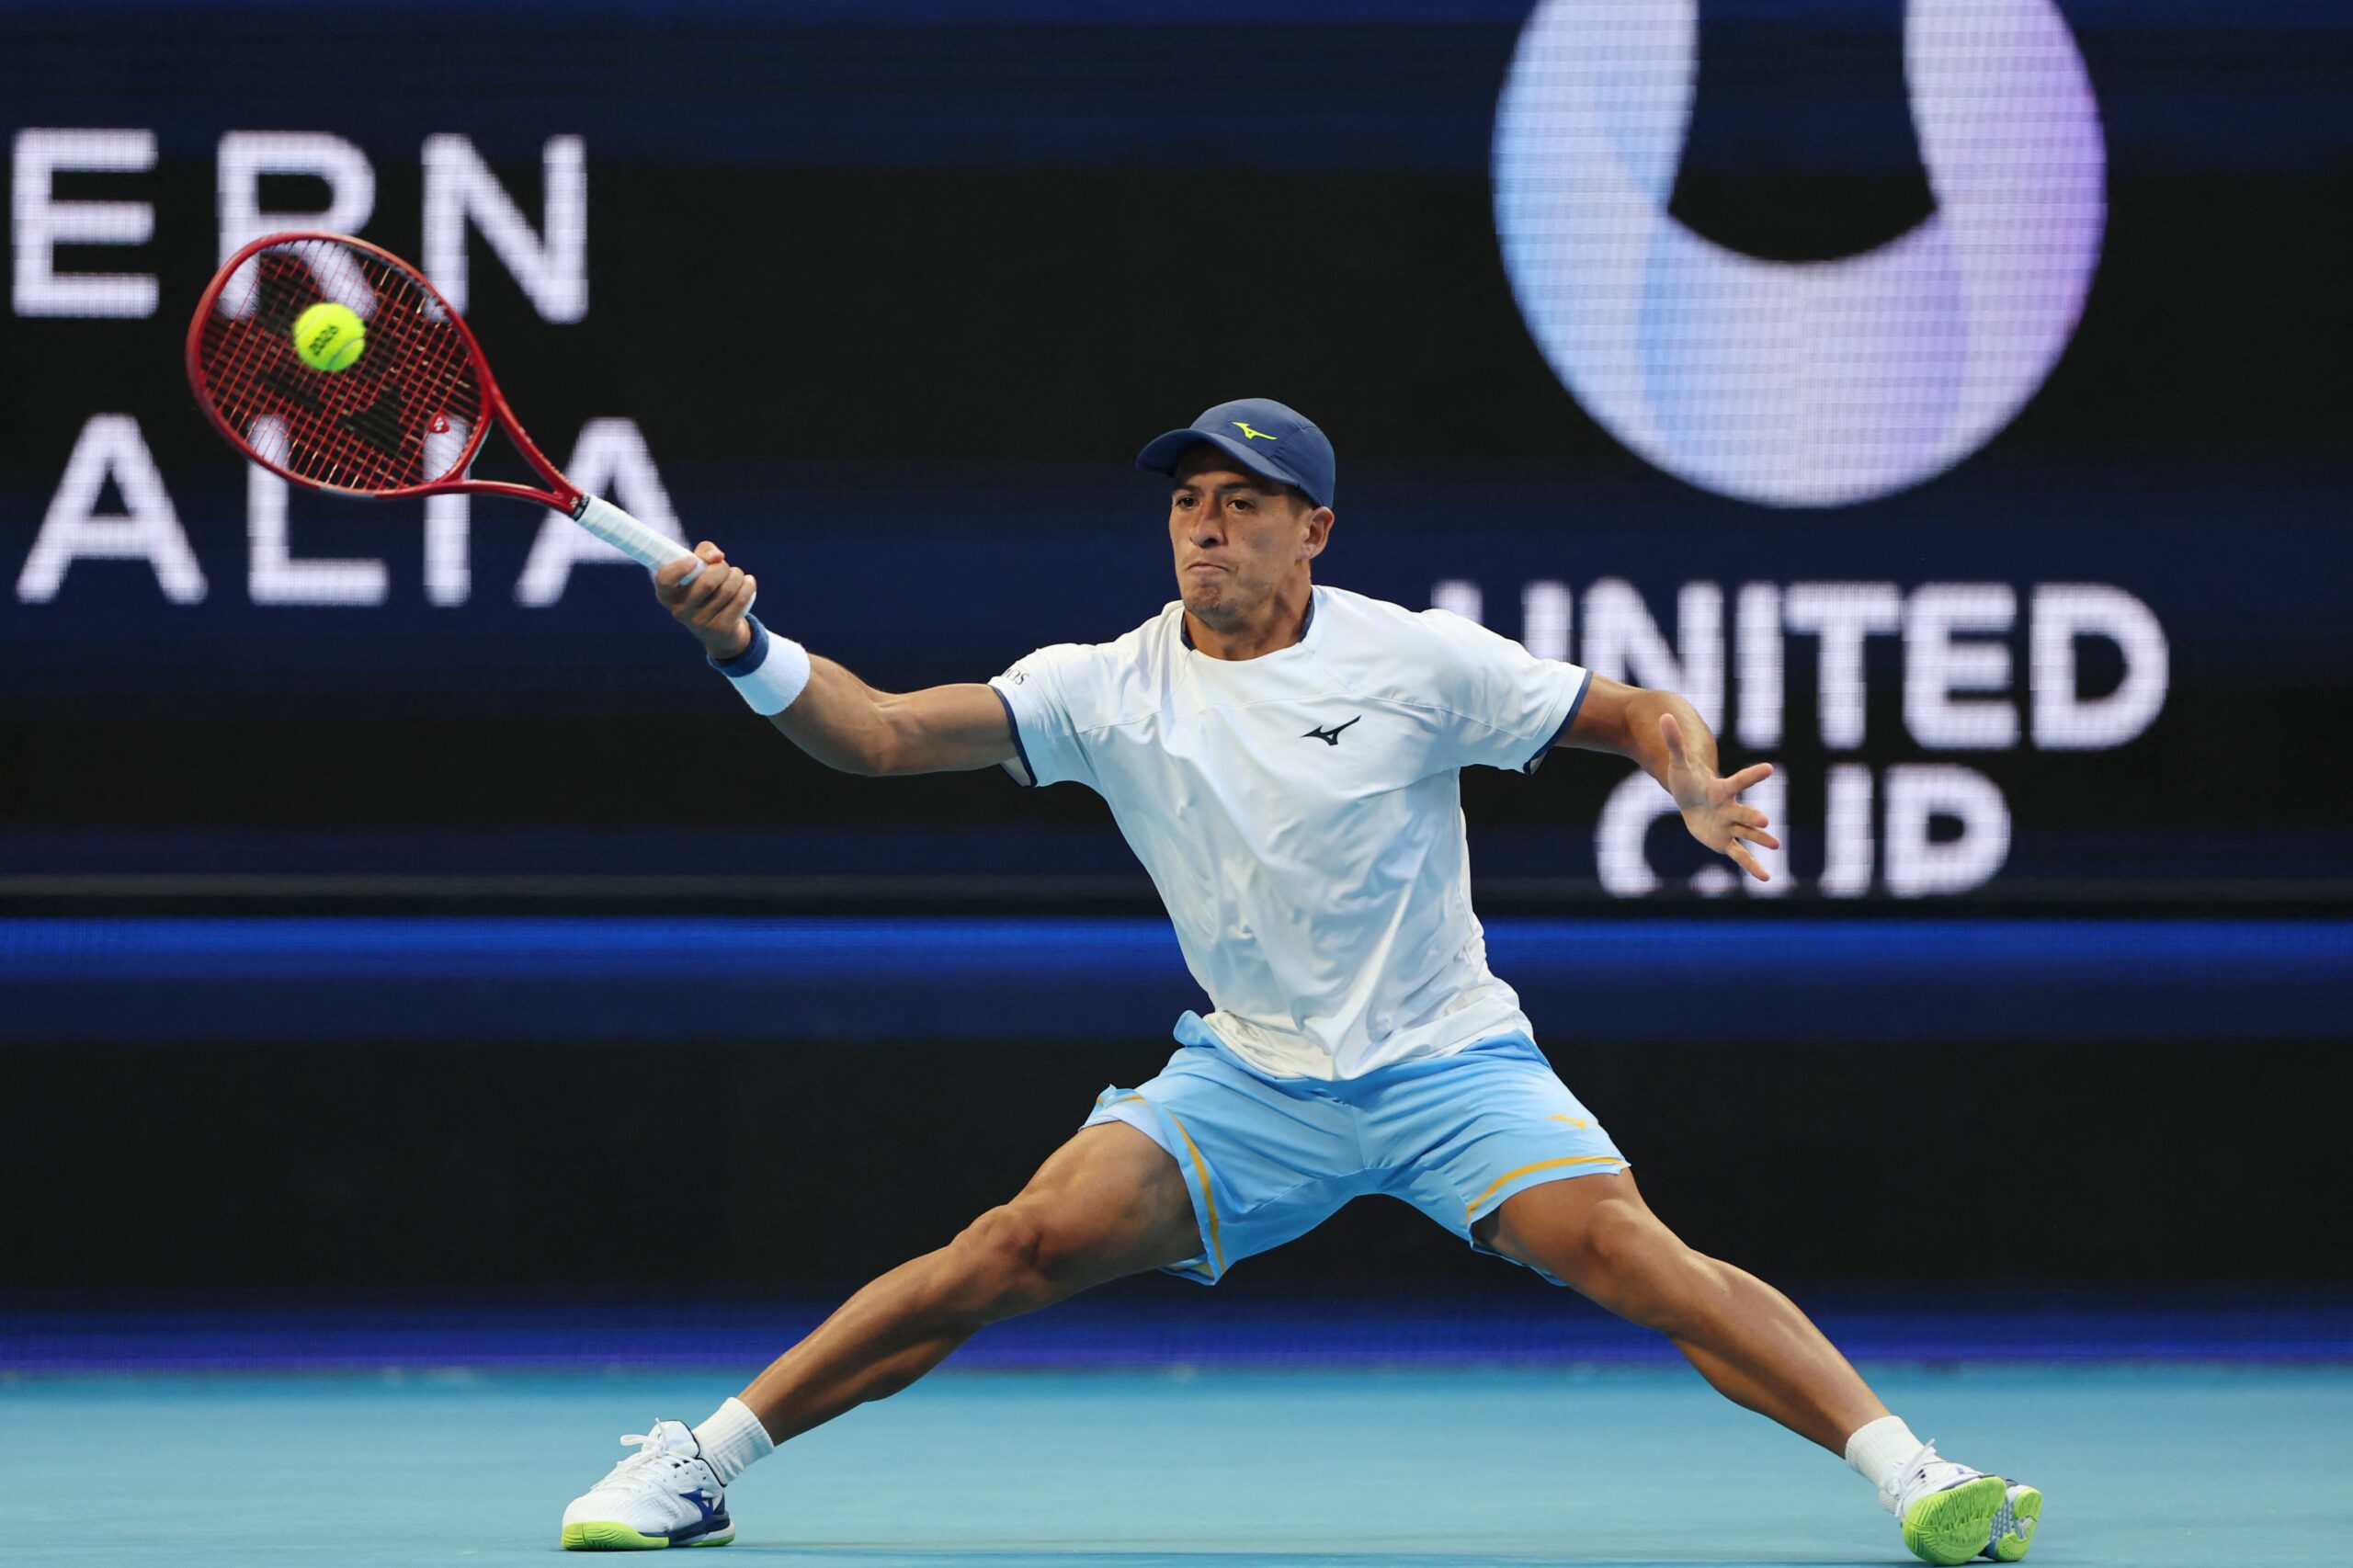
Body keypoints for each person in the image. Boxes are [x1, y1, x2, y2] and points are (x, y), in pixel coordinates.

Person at [557, 399, 2040, 1563]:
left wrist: (1692, 781)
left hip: (1448, 1061)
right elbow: (878, 733)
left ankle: (1916, 1475)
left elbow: (1641, 708)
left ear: (1313, 528)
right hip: (1249, 1080)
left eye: (1243, 502)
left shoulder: (1417, 660)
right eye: (1188, 502)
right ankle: (701, 1463)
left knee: (1633, 1253)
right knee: (1008, 1246)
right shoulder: (1104, 686)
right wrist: (743, 644)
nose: (1205, 526)